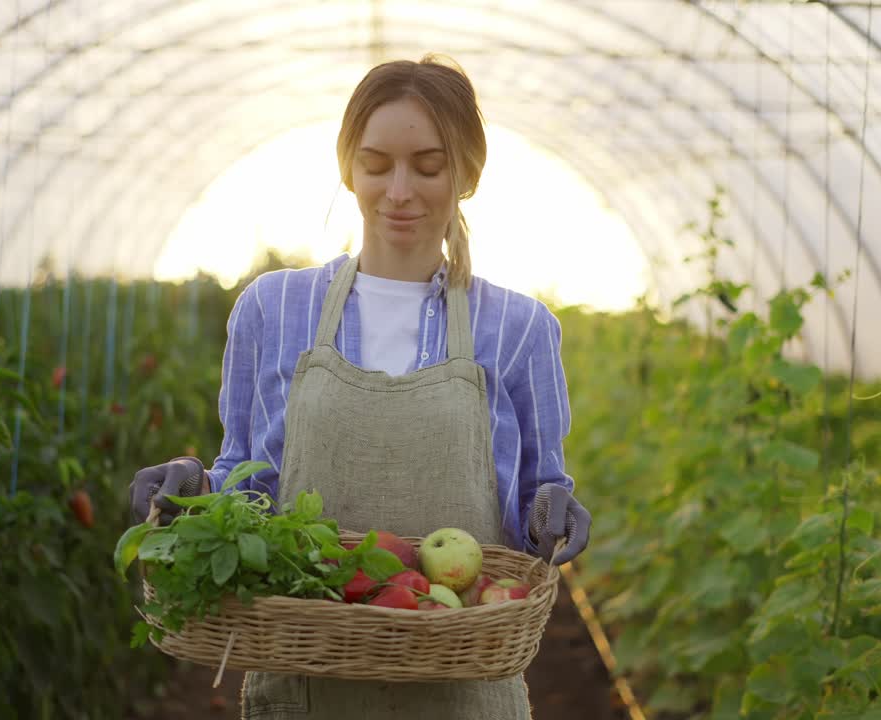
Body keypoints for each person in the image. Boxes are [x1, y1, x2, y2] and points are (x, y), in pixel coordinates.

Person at [129, 54, 592, 719]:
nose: (399, 190)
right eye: (377, 165)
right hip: (305, 684)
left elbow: (529, 517)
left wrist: (553, 508)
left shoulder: (519, 329)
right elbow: (251, 487)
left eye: (428, 166)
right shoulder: (274, 310)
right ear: (347, 168)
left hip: (462, 691)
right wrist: (195, 487)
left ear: (468, 174)